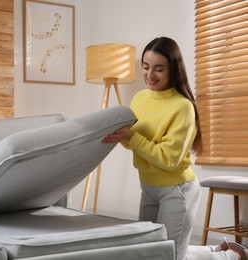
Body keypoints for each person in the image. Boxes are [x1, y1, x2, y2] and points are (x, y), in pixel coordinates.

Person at [102, 36, 248, 260]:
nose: (150, 75)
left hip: (177, 190)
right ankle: (216, 249)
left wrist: (131, 136)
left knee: (169, 256)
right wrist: (115, 133)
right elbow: (135, 144)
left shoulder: (183, 107)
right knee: (147, 251)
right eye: (146, 67)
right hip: (148, 186)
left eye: (159, 69)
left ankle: (231, 257)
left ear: (174, 69)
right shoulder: (140, 98)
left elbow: (167, 159)